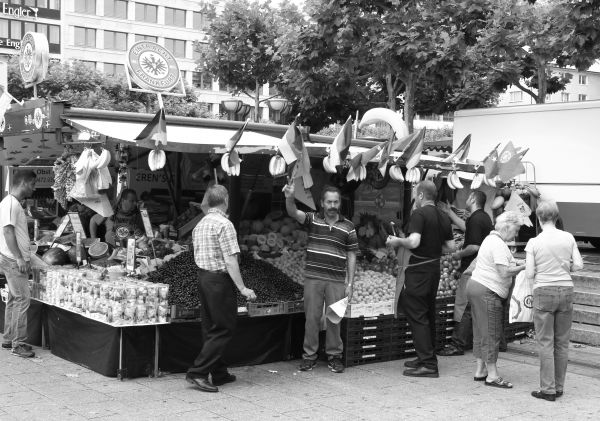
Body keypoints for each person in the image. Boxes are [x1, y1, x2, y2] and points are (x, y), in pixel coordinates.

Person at [186, 185, 256, 393]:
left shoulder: (200, 224)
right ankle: (198, 373)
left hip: (204, 278)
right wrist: (242, 288)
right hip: (219, 281)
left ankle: (218, 372)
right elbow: (231, 259)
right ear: (225, 200)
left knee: (210, 327)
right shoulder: (225, 225)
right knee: (223, 328)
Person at [283, 183, 358, 373]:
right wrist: (289, 198)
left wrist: (350, 283)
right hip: (313, 279)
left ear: (340, 203)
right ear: (322, 203)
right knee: (312, 319)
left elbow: (351, 255)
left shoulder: (348, 227)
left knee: (334, 319)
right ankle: (309, 356)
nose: (332, 205)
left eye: (336, 202)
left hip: (336, 280)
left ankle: (334, 356)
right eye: (329, 202)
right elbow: (293, 213)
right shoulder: (313, 220)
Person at [386, 180, 455, 378]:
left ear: (422, 195)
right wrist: (432, 249)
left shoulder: (419, 214)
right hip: (434, 269)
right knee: (427, 313)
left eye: (417, 195)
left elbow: (414, 242)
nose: (415, 198)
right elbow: (451, 247)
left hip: (418, 270)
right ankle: (426, 356)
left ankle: (428, 364)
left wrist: (397, 241)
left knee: (417, 315)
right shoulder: (443, 216)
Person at [525, 201, 583, 401]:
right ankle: (559, 387)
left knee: (545, 342)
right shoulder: (568, 237)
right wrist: (564, 268)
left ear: (539, 218)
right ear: (557, 217)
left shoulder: (534, 242)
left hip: (544, 290)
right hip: (566, 290)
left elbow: (530, 273)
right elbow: (579, 265)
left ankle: (547, 390)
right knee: (562, 342)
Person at [467, 211, 525, 389]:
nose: (516, 235)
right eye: (515, 230)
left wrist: (514, 262)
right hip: (488, 291)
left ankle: (480, 370)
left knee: (480, 331)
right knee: (491, 333)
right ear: (507, 227)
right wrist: (524, 266)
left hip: (476, 287)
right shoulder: (498, 244)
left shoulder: (490, 239)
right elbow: (503, 272)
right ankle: (492, 375)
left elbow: (502, 263)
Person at [438, 190, 493, 356]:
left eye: (469, 197)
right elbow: (466, 228)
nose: (466, 199)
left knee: (463, 306)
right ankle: (468, 341)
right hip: (482, 269)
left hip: (471, 269)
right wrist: (449, 213)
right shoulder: (483, 217)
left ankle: (457, 344)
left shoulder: (476, 219)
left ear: (473, 199)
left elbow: (473, 247)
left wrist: (457, 254)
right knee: (473, 307)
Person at [0, 170, 37, 358]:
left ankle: (8, 338)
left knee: (15, 299)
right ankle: (18, 343)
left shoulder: (12, 203)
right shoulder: (10, 204)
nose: (34, 188)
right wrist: (19, 258)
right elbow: (8, 232)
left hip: (10, 259)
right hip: (13, 260)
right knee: (23, 299)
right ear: (24, 183)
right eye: (32, 184)